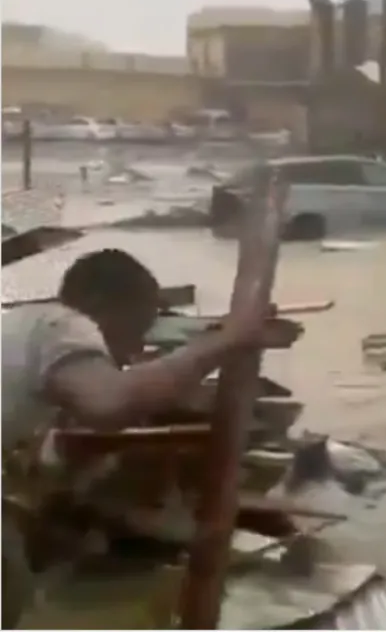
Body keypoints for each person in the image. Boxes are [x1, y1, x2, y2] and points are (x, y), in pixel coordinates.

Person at [1, 247, 298, 627]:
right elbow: (110, 404)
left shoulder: (20, 327)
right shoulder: (61, 323)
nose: (139, 347)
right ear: (97, 303)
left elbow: (64, 450)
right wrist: (225, 342)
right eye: (138, 328)